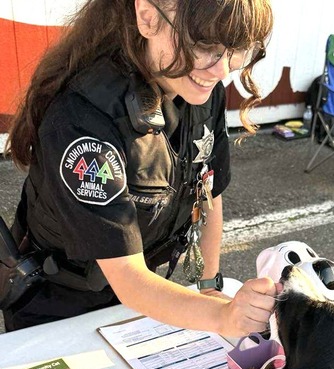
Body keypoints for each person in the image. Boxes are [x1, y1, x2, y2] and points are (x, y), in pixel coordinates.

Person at [3, 0, 277, 336]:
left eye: (237, 49)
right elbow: (129, 279)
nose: (221, 71)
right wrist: (224, 316)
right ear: (148, 18)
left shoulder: (200, 90)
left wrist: (210, 284)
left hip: (140, 296)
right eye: (204, 45)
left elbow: (208, 192)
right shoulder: (83, 119)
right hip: (55, 305)